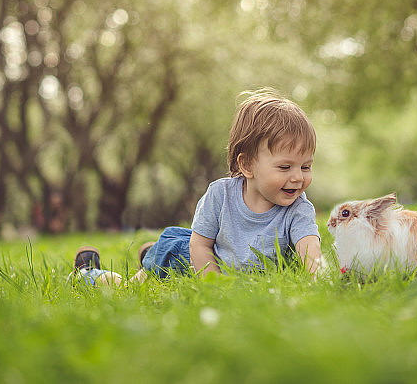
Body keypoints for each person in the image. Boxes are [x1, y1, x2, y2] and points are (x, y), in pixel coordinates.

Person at [72, 89, 323, 284]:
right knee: (132, 287)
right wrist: (213, 283)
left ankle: (148, 253)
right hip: (192, 259)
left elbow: (309, 248)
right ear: (247, 165)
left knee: (162, 258)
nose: (298, 178)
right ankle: (88, 273)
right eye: (284, 167)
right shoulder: (220, 195)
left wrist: (317, 279)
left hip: (216, 257)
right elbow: (200, 245)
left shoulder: (298, 209)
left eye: (305, 167)